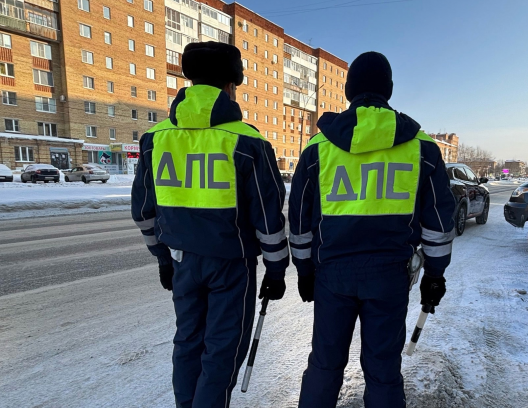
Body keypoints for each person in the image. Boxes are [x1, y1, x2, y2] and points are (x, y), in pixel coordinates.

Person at [288, 51, 456, 407]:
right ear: (389, 90)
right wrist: (435, 275)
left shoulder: (318, 148)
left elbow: (300, 221)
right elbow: (440, 221)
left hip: (333, 275)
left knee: (324, 365)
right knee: (383, 370)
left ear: (347, 90)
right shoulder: (422, 147)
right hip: (390, 278)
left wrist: (304, 269)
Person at [131, 41, 289, 408]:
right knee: (222, 349)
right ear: (231, 86)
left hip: (182, 260)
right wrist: (277, 268)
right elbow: (267, 216)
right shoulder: (248, 141)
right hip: (231, 266)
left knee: (187, 342)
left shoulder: (156, 139)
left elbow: (142, 211)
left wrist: (161, 257)